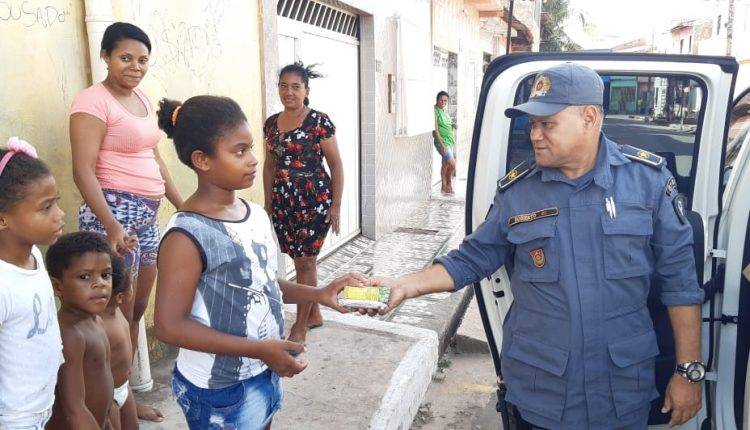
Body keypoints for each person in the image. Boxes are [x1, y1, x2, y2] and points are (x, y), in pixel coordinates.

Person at [371, 63, 705, 429]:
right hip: (542, 390)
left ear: (590, 117)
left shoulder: (648, 183)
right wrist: (405, 285)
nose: (535, 135)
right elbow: (472, 258)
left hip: (621, 389)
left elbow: (680, 283)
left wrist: (687, 372)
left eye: (548, 123)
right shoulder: (519, 192)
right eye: (532, 124)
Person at [153, 95, 364, 429]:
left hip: (264, 369)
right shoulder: (186, 235)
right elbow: (168, 325)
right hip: (218, 389)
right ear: (202, 160)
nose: (253, 160)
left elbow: (260, 282)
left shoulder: (254, 215)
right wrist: (258, 350)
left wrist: (319, 294)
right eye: (239, 152)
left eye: (251, 148)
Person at [69, 22, 179, 422]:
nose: (135, 66)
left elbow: (155, 158)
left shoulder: (143, 99)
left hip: (148, 217)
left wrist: (182, 206)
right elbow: (83, 170)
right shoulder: (91, 101)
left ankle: (124, 396)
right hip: (115, 215)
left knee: (134, 311)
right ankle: (102, 406)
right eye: (126, 58)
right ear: (106, 57)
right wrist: (112, 226)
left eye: (143, 60)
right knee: (110, 315)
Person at [263, 62, 344, 344]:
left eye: (296, 87)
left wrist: (335, 207)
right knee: (299, 262)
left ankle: (299, 326)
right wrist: (268, 204)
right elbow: (269, 167)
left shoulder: (319, 122)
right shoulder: (271, 124)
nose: (289, 92)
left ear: (306, 90)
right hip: (284, 202)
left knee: (306, 262)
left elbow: (336, 165)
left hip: (314, 201)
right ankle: (314, 313)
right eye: (283, 86)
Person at [0, 138, 65, 430]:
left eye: (56, 203)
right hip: (14, 418)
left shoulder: (35, 255)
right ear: (3, 220)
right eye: (46, 207)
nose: (59, 215)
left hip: (42, 404)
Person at [46, 232, 114, 429]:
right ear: (57, 286)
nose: (100, 283)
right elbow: (74, 408)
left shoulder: (96, 321)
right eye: (85, 277)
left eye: (105, 275)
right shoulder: (70, 334)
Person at [102, 254, 138, 430]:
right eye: (132, 284)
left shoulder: (116, 312)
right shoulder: (100, 327)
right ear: (121, 297)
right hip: (109, 398)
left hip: (124, 387)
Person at [433, 90, 457, 194]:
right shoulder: (435, 111)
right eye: (441, 100)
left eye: (445, 101)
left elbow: (447, 123)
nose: (443, 102)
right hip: (442, 143)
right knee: (452, 164)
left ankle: (444, 186)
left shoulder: (444, 110)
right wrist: (442, 145)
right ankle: (448, 182)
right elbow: (435, 131)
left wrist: (453, 125)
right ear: (437, 100)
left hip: (449, 141)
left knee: (445, 164)